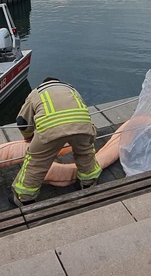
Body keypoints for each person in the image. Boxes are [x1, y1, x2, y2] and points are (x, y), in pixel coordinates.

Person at [10, 78, 101, 206]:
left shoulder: (36, 92)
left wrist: (28, 136)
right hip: (82, 125)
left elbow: (23, 122)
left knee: (37, 162)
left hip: (51, 129)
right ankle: (89, 183)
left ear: (43, 83)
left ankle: (24, 197)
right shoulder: (71, 89)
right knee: (85, 153)